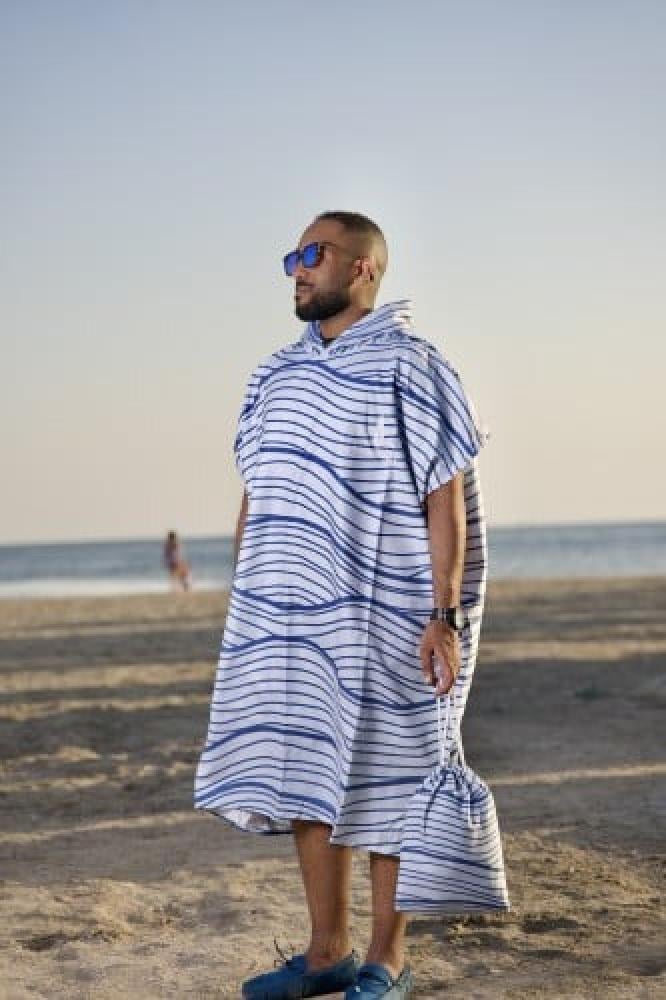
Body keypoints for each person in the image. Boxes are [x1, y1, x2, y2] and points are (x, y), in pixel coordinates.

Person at [194, 211, 499, 1000]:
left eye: (314, 253)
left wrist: (444, 616)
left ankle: (386, 960)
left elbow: (444, 499)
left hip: (391, 609)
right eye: (292, 257)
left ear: (363, 267)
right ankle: (326, 952)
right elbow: (259, 492)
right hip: (288, 614)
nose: (297, 269)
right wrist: (248, 599)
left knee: (395, 772)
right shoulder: (274, 375)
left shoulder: (414, 365)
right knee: (305, 765)